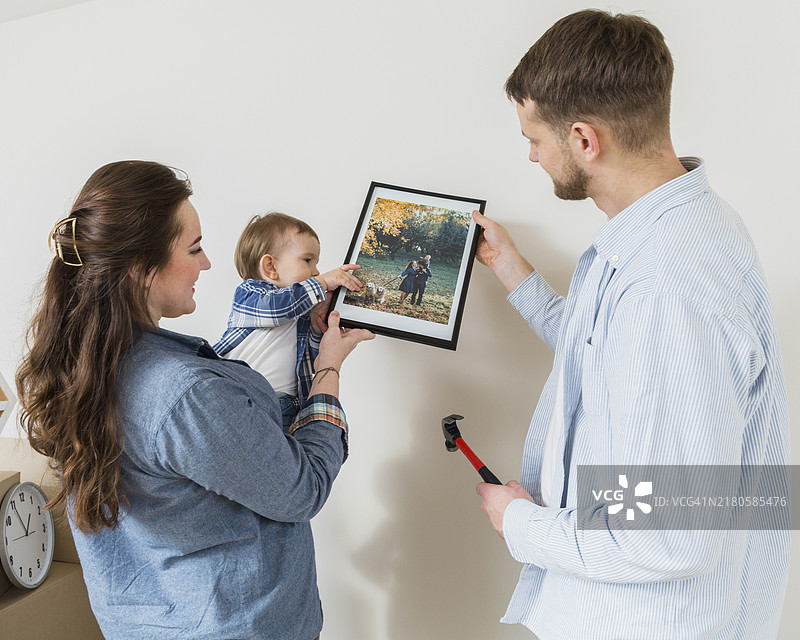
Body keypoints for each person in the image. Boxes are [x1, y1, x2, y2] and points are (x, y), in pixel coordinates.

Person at [472, 10, 789, 639]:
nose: (532, 155)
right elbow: (617, 364)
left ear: (586, 139)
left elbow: (671, 535)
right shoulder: (684, 227)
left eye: (536, 137)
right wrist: (515, 273)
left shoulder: (664, 286)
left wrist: (522, 524)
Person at [15, 160, 374, 640]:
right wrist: (328, 367)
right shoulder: (187, 394)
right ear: (143, 269)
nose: (206, 263)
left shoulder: (78, 368)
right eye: (195, 248)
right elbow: (303, 488)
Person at [213, 212, 363, 430]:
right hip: (239, 397)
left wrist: (316, 327)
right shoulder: (249, 295)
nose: (316, 271)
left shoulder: (298, 313)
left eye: (316, 264)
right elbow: (278, 307)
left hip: (286, 408)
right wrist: (321, 283)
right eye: (308, 260)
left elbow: (309, 362)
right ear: (270, 268)